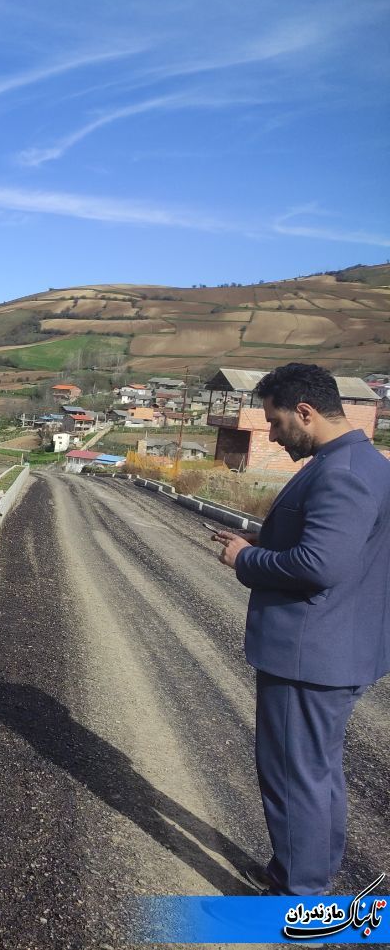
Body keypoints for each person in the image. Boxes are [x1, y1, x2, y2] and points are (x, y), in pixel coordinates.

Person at [212, 362, 390, 896]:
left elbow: (318, 566)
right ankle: (305, 871)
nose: (270, 433)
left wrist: (245, 558)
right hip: (340, 646)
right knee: (316, 771)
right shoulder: (369, 464)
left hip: (310, 654)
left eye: (274, 421)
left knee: (294, 775)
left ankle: (301, 893)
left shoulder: (342, 473)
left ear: (305, 413)